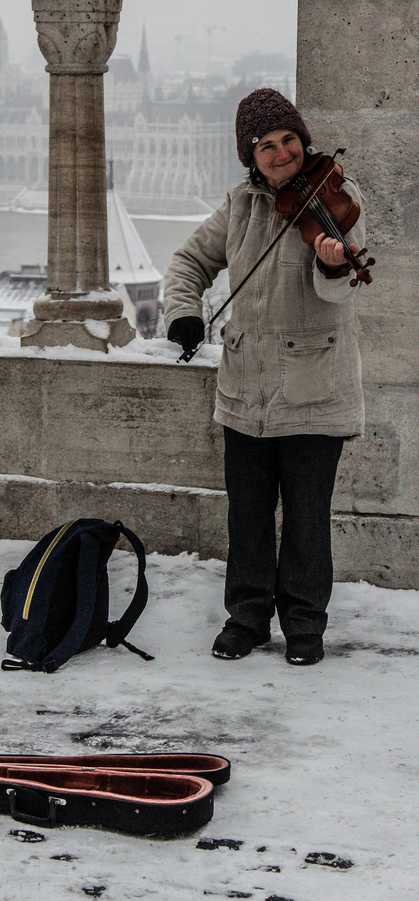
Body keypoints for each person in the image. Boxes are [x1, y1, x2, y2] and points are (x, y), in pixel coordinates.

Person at [163, 87, 365, 666]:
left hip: (313, 389)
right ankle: (246, 618)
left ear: (304, 142)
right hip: (244, 388)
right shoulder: (240, 205)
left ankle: (305, 624)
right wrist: (183, 314)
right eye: (267, 146)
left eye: (289, 141)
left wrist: (331, 265)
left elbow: (342, 288)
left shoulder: (340, 199)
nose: (282, 155)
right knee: (247, 516)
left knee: (306, 519)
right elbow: (189, 261)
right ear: (249, 156)